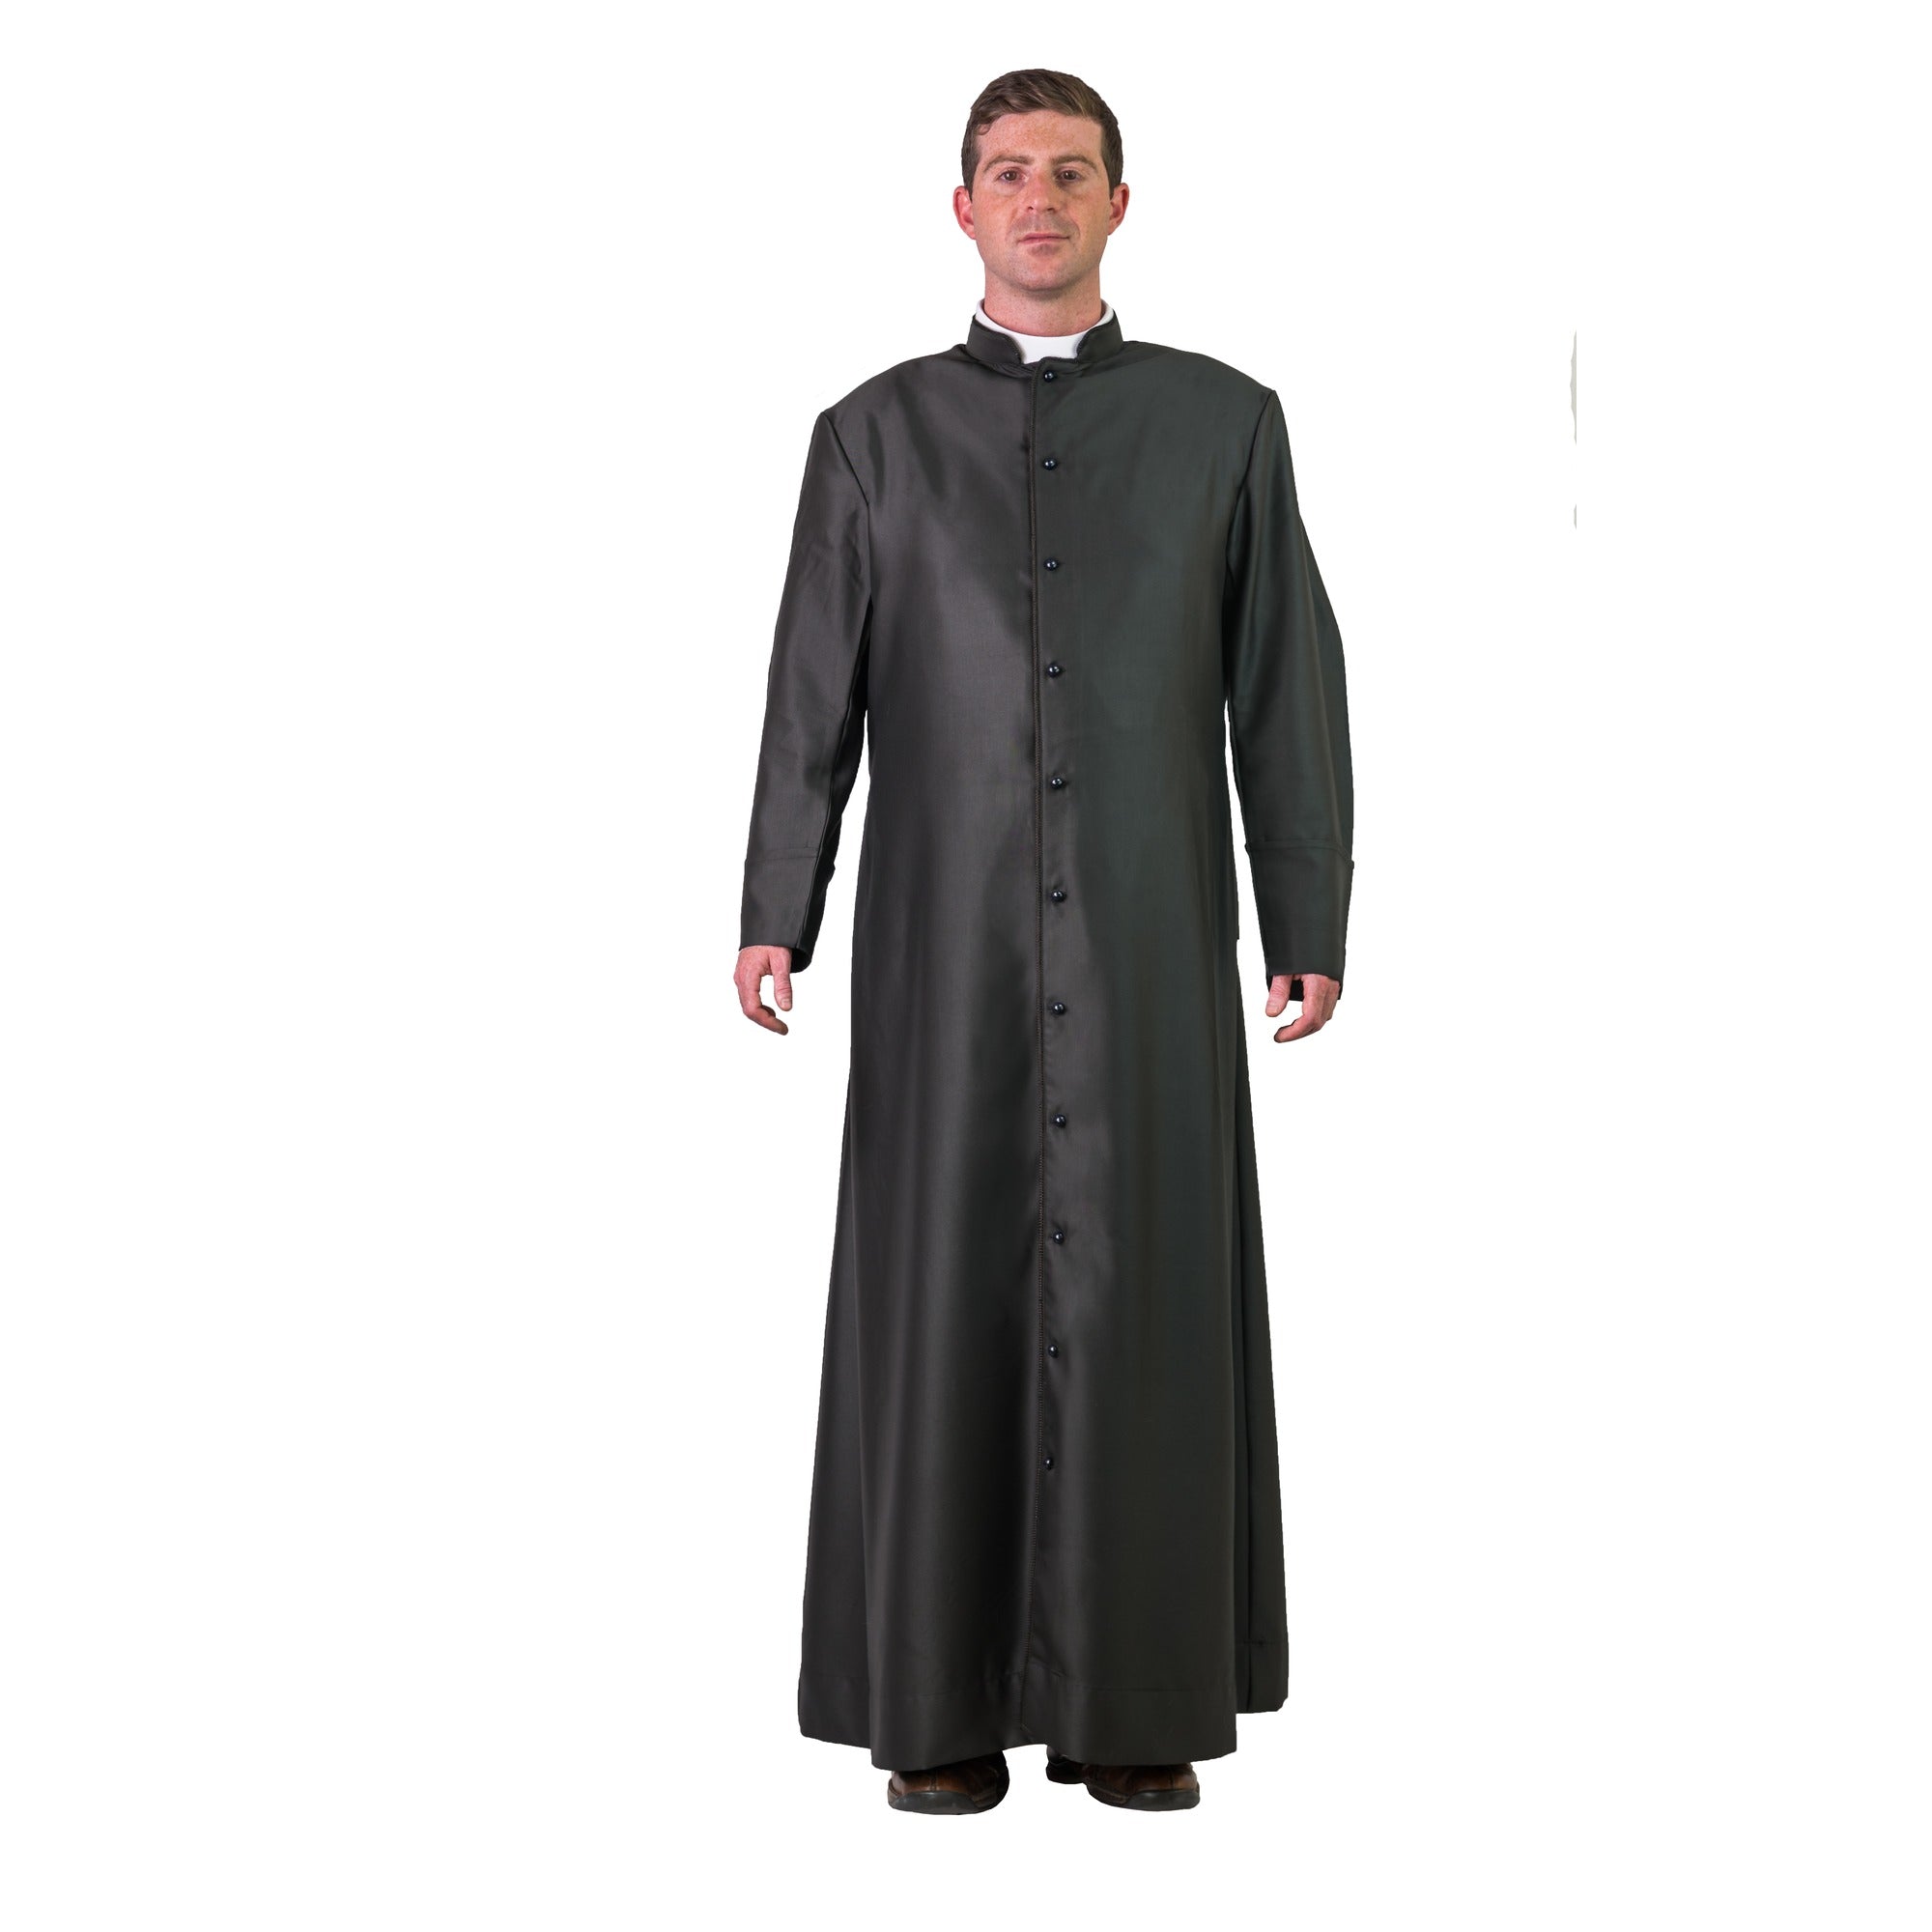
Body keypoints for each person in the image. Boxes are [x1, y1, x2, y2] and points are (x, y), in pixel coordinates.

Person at [734, 68, 1354, 1815]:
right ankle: (934, 1706)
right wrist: (775, 906)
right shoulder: (871, 437)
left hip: (1152, 941)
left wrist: (1306, 912)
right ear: (964, 209)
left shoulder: (1226, 425)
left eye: (1071, 173)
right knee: (938, 1288)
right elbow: (810, 694)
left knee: (1148, 1290)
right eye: (1008, 172)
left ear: (1117, 205)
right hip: (941, 956)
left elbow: (1285, 686)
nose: (1039, 200)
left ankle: (1134, 1704)